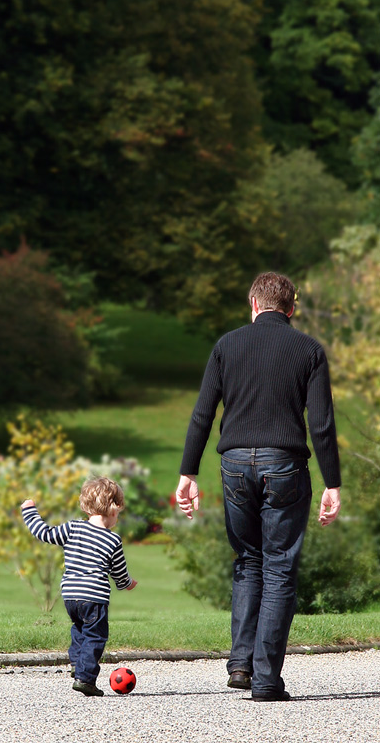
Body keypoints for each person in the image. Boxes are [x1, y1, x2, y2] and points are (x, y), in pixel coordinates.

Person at [176, 272, 341, 702]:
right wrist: (333, 483)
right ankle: (267, 681)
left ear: (253, 304)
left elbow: (202, 415)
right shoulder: (309, 350)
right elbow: (321, 425)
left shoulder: (226, 345)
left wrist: (187, 473)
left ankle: (240, 665)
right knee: (279, 567)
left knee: (247, 561)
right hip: (284, 464)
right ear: (291, 307)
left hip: (233, 465)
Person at [21, 476, 137, 697]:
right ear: (113, 509)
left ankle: (77, 663)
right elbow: (119, 574)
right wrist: (129, 584)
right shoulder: (112, 540)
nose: (117, 519)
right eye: (118, 514)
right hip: (94, 597)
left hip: (71, 596)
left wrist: (29, 511)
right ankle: (85, 678)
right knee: (96, 635)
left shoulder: (72, 528)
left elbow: (43, 533)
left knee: (80, 628)